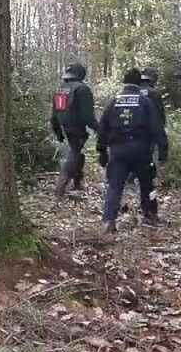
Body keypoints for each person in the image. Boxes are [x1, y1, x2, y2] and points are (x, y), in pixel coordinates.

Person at [97, 69, 166, 232]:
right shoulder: (145, 102)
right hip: (141, 150)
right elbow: (157, 127)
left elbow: (102, 128)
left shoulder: (113, 102)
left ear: (123, 82)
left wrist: (101, 151)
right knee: (147, 185)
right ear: (138, 82)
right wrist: (163, 149)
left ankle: (109, 220)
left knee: (114, 186)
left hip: (118, 151)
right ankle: (150, 215)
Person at [50, 63, 99, 198]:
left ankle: (77, 183)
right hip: (76, 128)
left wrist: (58, 132)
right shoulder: (82, 89)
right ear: (81, 74)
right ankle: (61, 186)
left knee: (78, 152)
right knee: (76, 152)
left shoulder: (60, 89)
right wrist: (100, 129)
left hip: (65, 127)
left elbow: (54, 115)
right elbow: (88, 116)